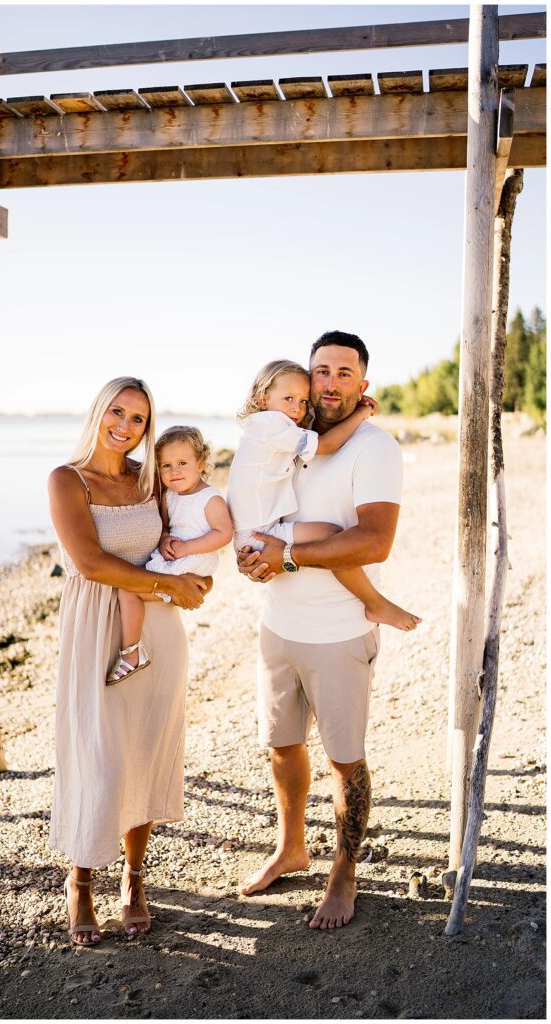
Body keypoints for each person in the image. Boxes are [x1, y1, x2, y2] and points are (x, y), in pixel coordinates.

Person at [236, 331, 409, 930]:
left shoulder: (375, 447)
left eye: (344, 372)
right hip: (278, 625)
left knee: (344, 760)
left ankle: (343, 872)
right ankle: (292, 846)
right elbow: (261, 515)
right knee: (281, 746)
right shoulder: (294, 442)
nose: (330, 381)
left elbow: (374, 540)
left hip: (338, 631)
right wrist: (254, 557)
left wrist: (286, 555)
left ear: (363, 383)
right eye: (321, 371)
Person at [48, 377, 211, 946]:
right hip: (96, 626)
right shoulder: (67, 480)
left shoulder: (150, 478)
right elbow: (90, 562)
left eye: (138, 419)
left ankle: (135, 879)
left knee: (144, 750)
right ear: (99, 411)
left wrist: (202, 569)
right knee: (99, 756)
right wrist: (168, 581)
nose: (125, 425)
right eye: (117, 412)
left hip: (158, 628)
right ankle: (80, 881)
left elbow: (196, 517)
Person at [227, 359, 421, 631]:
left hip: (252, 533)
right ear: (262, 398)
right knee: (332, 535)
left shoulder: (268, 427)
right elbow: (327, 444)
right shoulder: (271, 425)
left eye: (305, 401)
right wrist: (360, 411)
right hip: (258, 535)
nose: (297, 407)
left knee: (330, 535)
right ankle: (374, 603)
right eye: (289, 398)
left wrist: (345, 400)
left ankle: (373, 602)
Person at [108, 426, 232, 683]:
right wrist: (165, 538)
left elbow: (223, 534)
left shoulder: (210, 498)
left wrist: (187, 547)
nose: (174, 471)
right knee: (133, 587)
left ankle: (131, 654)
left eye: (183, 463)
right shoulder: (170, 496)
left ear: (200, 464)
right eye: (166, 465)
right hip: (174, 555)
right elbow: (164, 526)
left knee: (128, 589)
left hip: (196, 557)